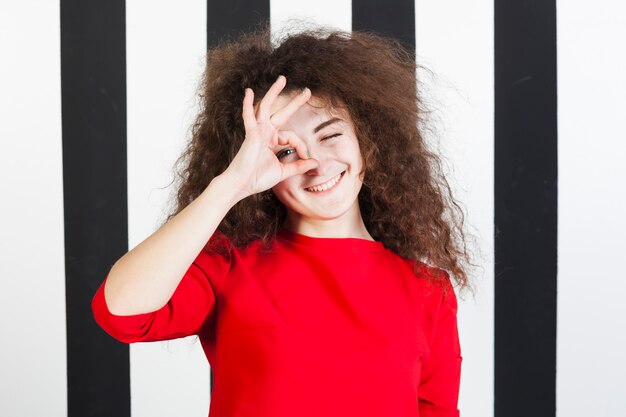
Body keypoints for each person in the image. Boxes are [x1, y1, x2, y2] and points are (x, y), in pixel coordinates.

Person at [92, 23, 472, 417]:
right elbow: (122, 312)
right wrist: (232, 184)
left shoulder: (429, 290)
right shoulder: (229, 265)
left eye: (330, 135)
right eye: (287, 152)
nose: (316, 163)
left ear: (368, 140)